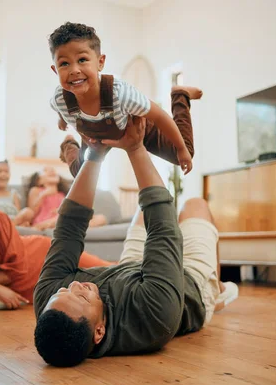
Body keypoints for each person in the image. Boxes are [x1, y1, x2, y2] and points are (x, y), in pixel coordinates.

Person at [33, 117, 238, 367]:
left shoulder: (51, 304)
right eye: (82, 297)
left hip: (129, 272)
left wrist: (94, 156)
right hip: (190, 288)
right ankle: (214, 290)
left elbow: (69, 228)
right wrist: (135, 147)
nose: (76, 285)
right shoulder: (153, 317)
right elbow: (164, 229)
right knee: (195, 205)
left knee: (142, 212)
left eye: (64, 290)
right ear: (99, 332)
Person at [0, 179, 114, 310]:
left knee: (106, 272)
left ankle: (139, 273)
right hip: (26, 289)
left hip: (40, 256)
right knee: (92, 289)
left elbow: (15, 267)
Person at [48, 21, 201, 178]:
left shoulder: (120, 93)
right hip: (97, 137)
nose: (74, 70)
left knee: (183, 152)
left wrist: (181, 150)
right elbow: (59, 108)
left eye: (82, 60)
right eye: (64, 63)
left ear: (100, 62)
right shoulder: (60, 98)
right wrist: (63, 120)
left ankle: (180, 95)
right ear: (55, 70)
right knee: (79, 174)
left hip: (135, 127)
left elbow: (160, 116)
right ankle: (68, 144)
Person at [16, 166, 107, 230]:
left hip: (63, 219)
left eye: (53, 170)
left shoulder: (62, 194)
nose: (52, 171)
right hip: (45, 220)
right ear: (39, 180)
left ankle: (74, 227)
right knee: (61, 219)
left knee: (101, 218)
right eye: (46, 170)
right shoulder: (36, 190)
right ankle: (42, 226)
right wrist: (43, 194)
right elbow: (32, 212)